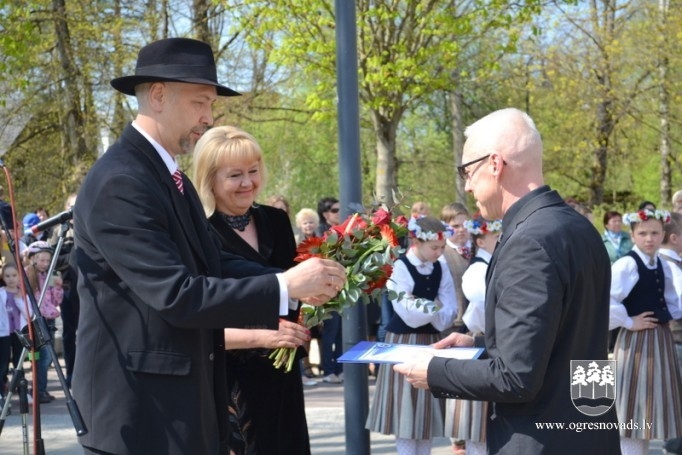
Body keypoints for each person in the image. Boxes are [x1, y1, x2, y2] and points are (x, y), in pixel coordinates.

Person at [72, 37, 345, 455]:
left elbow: (212, 260)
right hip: (141, 414)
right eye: (200, 102)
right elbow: (177, 293)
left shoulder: (164, 175)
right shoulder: (122, 181)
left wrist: (300, 280)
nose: (208, 117)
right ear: (159, 95)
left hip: (177, 407)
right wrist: (286, 286)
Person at [394, 108, 620, 454]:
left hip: (541, 440)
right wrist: (480, 344)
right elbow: (565, 337)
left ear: (495, 164)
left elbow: (516, 378)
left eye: (467, 172)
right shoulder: (578, 228)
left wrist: (435, 371)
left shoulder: (529, 241)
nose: (467, 186)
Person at [192, 125, 313, 454]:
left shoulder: (275, 219)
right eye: (235, 175)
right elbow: (197, 318)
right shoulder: (199, 232)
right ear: (210, 178)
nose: (248, 183)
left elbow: (295, 297)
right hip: (229, 382)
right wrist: (265, 336)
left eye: (253, 171)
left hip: (281, 375)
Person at [367, 215, 458, 455]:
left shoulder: (441, 266)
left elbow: (450, 308)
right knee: (405, 412)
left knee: (425, 413)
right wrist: (434, 306)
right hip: (404, 342)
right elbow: (406, 311)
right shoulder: (400, 267)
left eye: (441, 248)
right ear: (417, 242)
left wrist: (427, 307)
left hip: (431, 341)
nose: (439, 252)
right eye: (434, 247)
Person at [609, 209, 682, 455]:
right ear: (633, 234)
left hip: (659, 340)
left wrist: (667, 316)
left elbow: (673, 299)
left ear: (663, 234)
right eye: (642, 233)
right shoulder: (627, 264)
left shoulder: (661, 263)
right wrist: (629, 322)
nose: (649, 238)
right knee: (632, 411)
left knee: (648, 413)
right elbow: (605, 300)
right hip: (636, 344)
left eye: (654, 233)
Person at [444, 216, 501, 455]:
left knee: (489, 422)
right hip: (480, 339)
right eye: (497, 238)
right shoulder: (477, 269)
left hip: (493, 340)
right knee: (479, 424)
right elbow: (488, 300)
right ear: (481, 241)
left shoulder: (494, 265)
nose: (502, 242)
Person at [25, 240, 63, 404]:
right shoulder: (27, 275)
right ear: (32, 258)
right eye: (42, 260)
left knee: (47, 358)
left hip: (48, 321)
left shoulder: (48, 276)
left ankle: (40, 389)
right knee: (41, 357)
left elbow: (55, 301)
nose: (45, 263)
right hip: (35, 321)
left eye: (48, 260)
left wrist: (58, 287)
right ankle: (36, 390)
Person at [316, 196, 344, 383]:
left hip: (344, 285)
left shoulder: (346, 229)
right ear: (326, 214)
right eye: (335, 210)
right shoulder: (320, 231)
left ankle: (342, 369)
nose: (339, 213)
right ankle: (328, 370)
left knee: (343, 331)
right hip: (326, 287)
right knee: (330, 331)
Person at [53, 193, 78, 388]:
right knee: (70, 334)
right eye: (71, 206)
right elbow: (52, 257)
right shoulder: (59, 230)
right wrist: (72, 258)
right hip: (69, 288)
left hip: (90, 290)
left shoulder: (91, 223)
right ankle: (71, 373)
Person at [0, 263, 29, 404]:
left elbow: (28, 314)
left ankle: (22, 392)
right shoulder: (1, 293)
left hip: (19, 334)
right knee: (3, 364)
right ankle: (1, 394)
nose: (11, 279)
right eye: (7, 276)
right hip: (3, 334)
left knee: (19, 363)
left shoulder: (23, 294)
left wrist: (19, 299)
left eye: (14, 275)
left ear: (19, 277)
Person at [440, 202, 471, 333]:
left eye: (464, 225)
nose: (461, 229)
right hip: (453, 324)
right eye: (455, 226)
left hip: (481, 323)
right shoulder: (441, 253)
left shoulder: (481, 247)